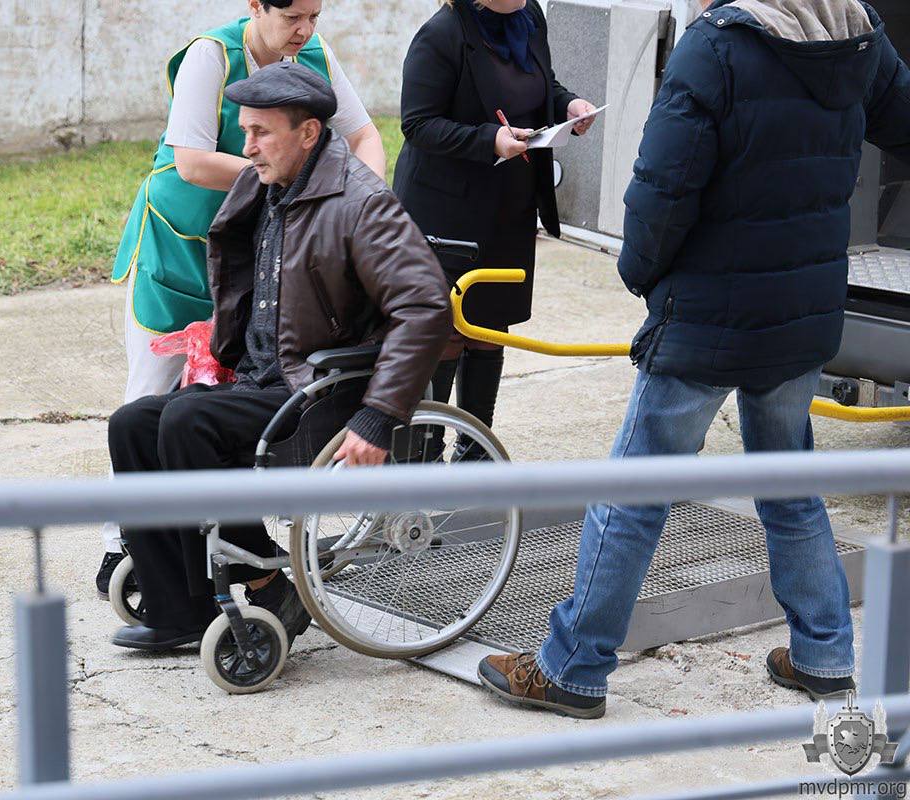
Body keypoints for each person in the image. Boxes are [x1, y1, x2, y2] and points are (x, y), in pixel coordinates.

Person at [478, 0, 910, 719]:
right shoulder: (853, 29)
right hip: (801, 311)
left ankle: (572, 669)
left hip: (710, 314)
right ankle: (825, 656)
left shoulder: (716, 46)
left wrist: (641, 274)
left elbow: (662, 188)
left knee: (636, 490)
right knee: (789, 482)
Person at [106, 63, 452, 651]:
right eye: (245, 131)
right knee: (133, 423)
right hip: (265, 379)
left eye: (261, 133)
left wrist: (378, 416)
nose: (247, 148)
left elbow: (424, 306)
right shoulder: (264, 183)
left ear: (309, 132)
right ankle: (179, 610)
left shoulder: (362, 203)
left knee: (188, 421)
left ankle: (266, 581)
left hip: (323, 392)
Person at [96, 0, 387, 599]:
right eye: (293, 16)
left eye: (314, 15)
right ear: (256, 5)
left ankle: (220, 560)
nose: (305, 29)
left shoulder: (313, 53)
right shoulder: (213, 56)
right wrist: (299, 178)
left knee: (205, 406)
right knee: (149, 397)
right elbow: (192, 162)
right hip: (183, 247)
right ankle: (121, 540)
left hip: (257, 250)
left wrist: (363, 201)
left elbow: (364, 136)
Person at [394, 0, 597, 435]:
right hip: (447, 213)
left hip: (509, 204)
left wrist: (568, 105)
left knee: (490, 324)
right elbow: (417, 124)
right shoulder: (442, 34)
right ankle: (426, 452)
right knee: (448, 330)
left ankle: (476, 450)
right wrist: (490, 140)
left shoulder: (529, 17)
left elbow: (541, 84)